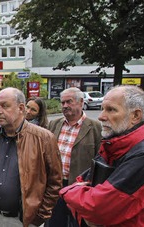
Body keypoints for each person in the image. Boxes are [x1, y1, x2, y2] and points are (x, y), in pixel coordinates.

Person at [59, 85, 144, 226]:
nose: (101, 116)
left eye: (111, 110)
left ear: (135, 116)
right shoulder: (113, 144)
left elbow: (97, 207)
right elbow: (86, 180)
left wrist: (69, 191)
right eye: (102, 109)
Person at [0, 87, 62, 227]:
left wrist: (38, 217)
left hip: (23, 220)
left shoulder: (43, 138)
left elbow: (54, 182)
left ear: (21, 108)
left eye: (5, 106)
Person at [46, 87, 102, 227]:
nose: (65, 106)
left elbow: (100, 160)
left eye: (69, 102)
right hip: (56, 186)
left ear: (81, 102)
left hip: (79, 188)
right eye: (62, 102)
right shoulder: (54, 124)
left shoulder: (95, 127)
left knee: (77, 223)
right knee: (54, 222)